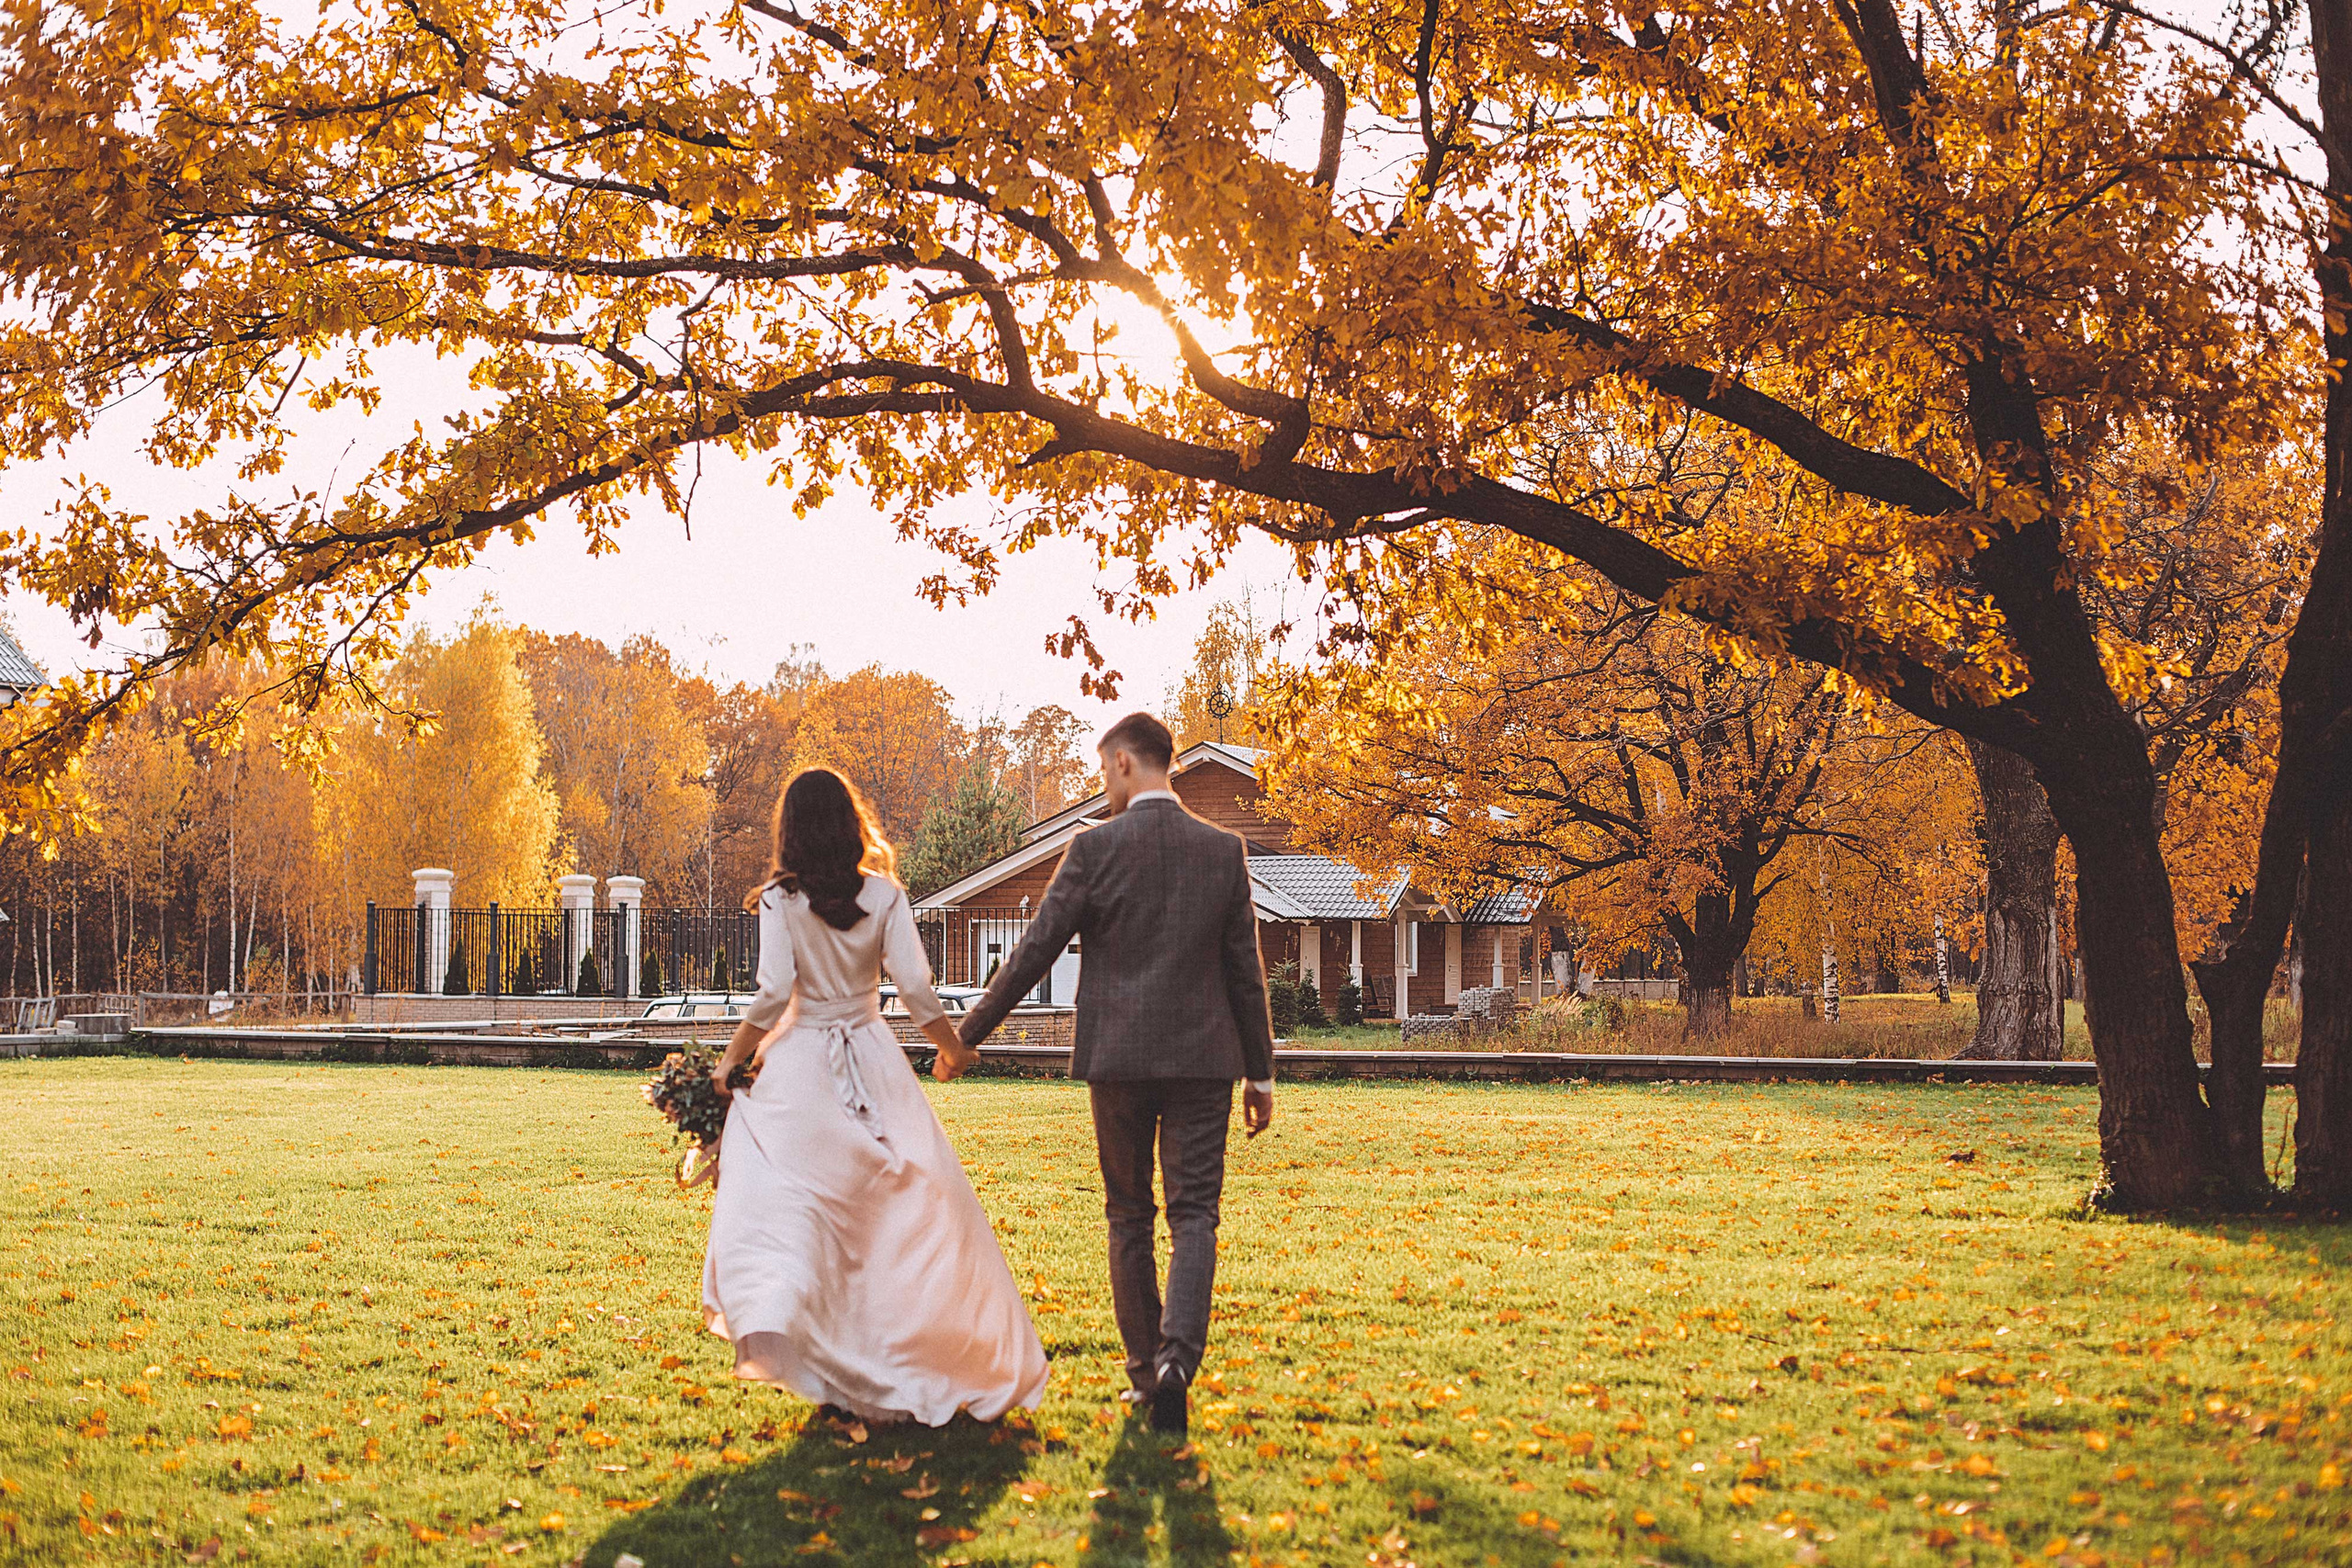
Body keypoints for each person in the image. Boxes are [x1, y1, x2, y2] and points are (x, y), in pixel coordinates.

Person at [953, 712, 1275, 1438]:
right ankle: (1177, 1366)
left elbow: (1034, 950)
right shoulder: (1222, 851)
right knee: (1195, 1214)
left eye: (1104, 770)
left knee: (1128, 1214)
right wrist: (1261, 1076)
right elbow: (1244, 974)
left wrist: (967, 1036)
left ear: (1128, 763)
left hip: (1119, 1060)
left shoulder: (1093, 849)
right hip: (1204, 1062)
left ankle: (1143, 1372)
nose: (1103, 786)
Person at [700, 767, 1048, 1426]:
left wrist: (730, 1062)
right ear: (851, 822)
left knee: (804, 1211)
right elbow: (916, 992)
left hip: (798, 1068)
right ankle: (901, 1356)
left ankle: (819, 1355)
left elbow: (773, 993)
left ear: (791, 830)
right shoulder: (886, 896)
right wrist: (951, 1047)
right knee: (904, 1207)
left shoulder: (781, 899)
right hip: (871, 1056)